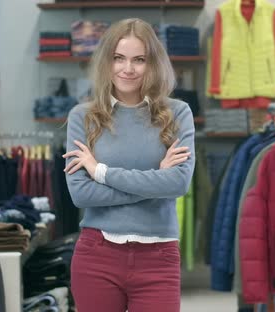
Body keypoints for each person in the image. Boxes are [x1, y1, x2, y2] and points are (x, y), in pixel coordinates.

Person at [64, 18, 195, 312]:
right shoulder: (82, 117)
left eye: (139, 60)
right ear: (106, 61)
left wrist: (101, 172)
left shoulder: (178, 113)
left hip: (159, 257)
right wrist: (156, 179)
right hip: (96, 255)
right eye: (119, 58)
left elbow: (178, 184)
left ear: (153, 64)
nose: (128, 69)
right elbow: (81, 195)